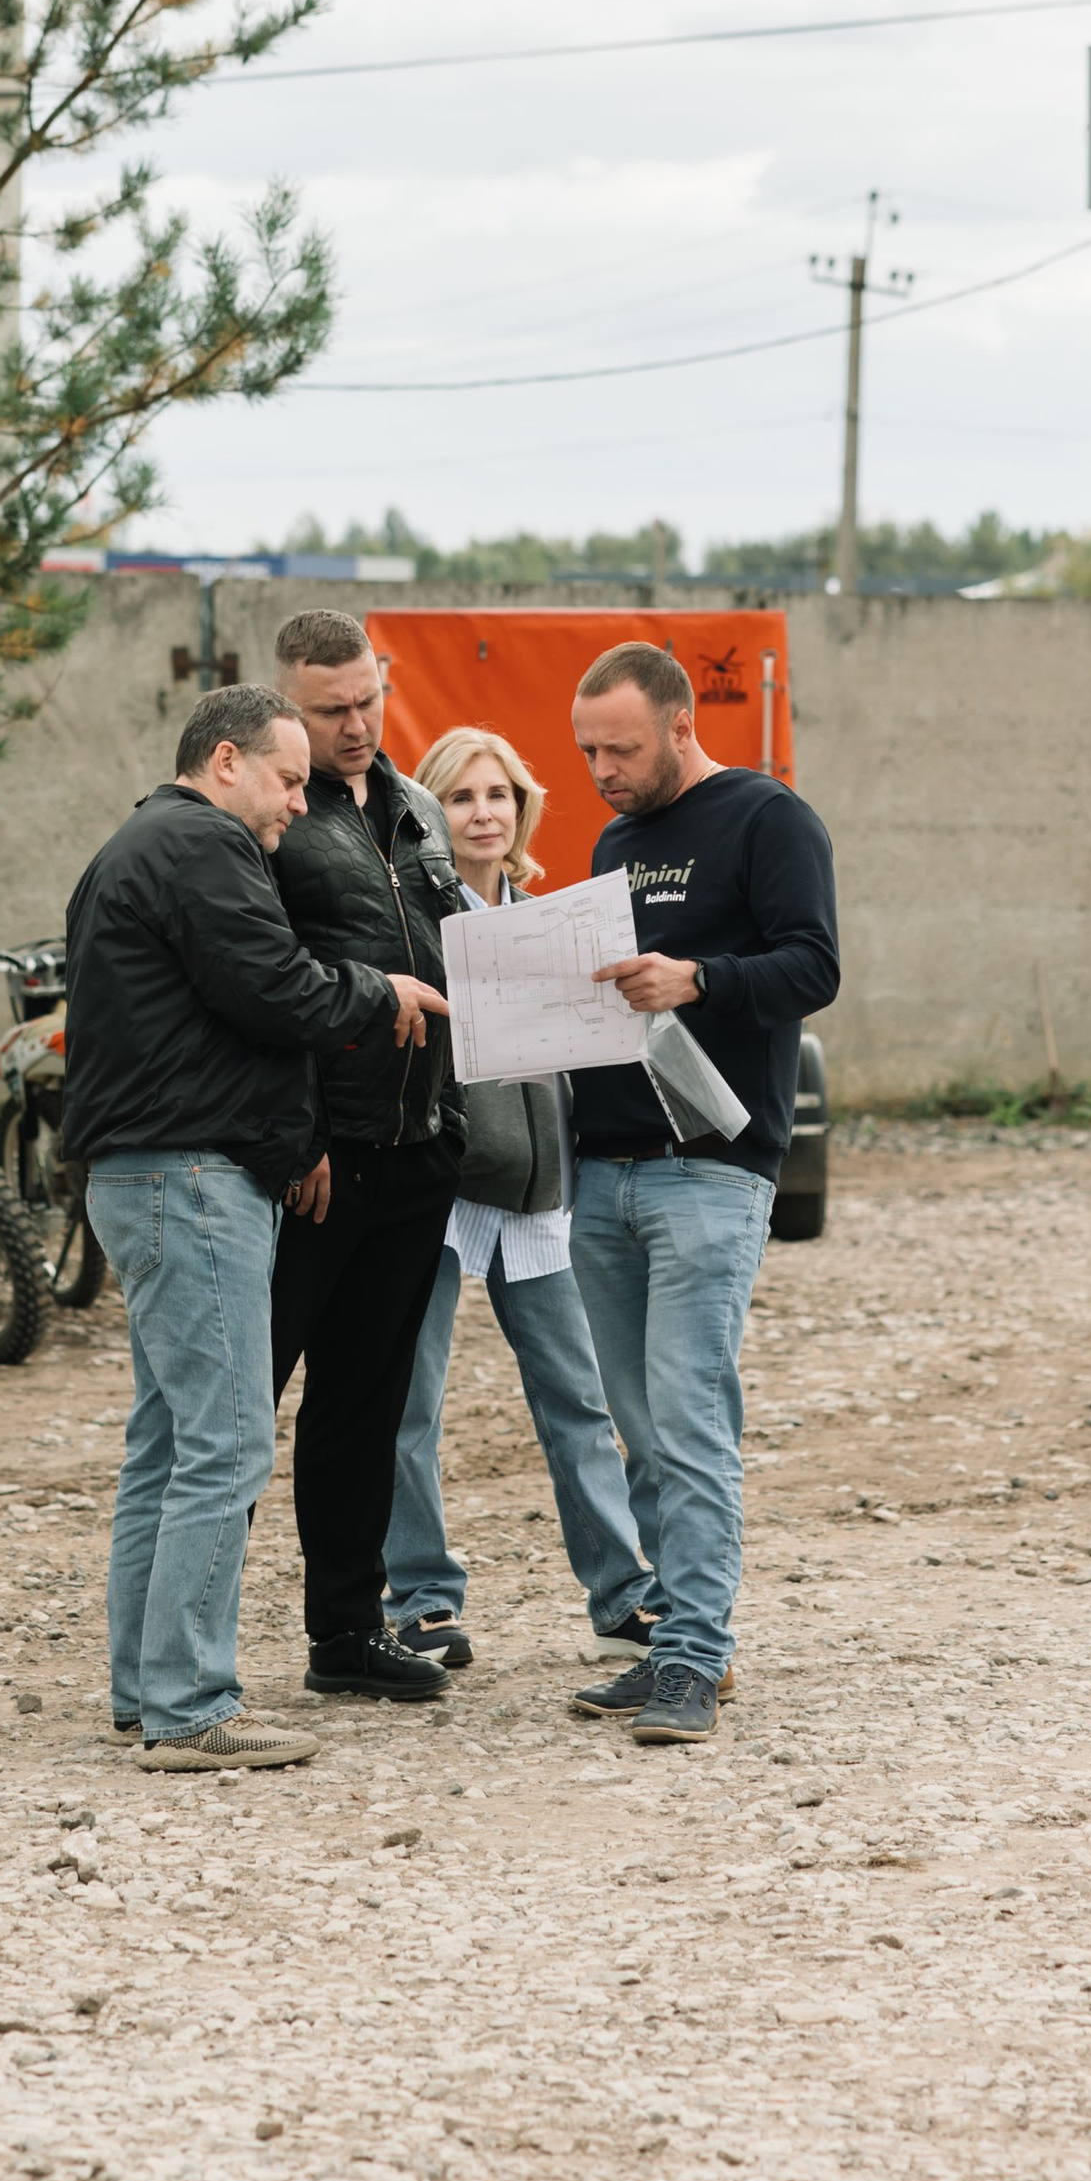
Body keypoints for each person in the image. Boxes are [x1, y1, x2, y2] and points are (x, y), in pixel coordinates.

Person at [64, 681, 448, 1771]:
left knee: (168, 1444)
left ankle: (145, 1691)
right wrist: (384, 993)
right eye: (287, 780)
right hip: (188, 1181)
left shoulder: (140, 844)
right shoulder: (201, 846)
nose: (298, 804)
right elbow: (274, 991)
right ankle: (189, 1705)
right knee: (225, 1443)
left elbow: (218, 1012)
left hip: (143, 1177)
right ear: (224, 760)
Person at [565, 639, 840, 1750]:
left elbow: (814, 969)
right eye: (586, 751)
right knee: (638, 1428)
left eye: (620, 749)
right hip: (604, 1167)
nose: (600, 771)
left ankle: (691, 1660)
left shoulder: (768, 820)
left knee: (687, 1416)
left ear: (680, 727)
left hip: (710, 1173)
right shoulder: (613, 840)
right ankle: (679, 1634)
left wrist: (700, 978)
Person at [382, 723, 664, 1667]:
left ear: (522, 806)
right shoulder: (413, 923)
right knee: (410, 1405)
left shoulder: (555, 916)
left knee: (578, 1401)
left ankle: (623, 1594)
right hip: (445, 1191)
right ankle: (419, 1597)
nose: (483, 812)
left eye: (497, 794)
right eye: (462, 797)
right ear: (432, 810)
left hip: (544, 1198)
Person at [265, 607, 470, 1706]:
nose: (354, 726)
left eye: (367, 702)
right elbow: (255, 988)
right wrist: (297, 1136)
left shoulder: (417, 810)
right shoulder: (270, 819)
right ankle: (183, 1654)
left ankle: (345, 1632)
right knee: (243, 1404)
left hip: (414, 1152)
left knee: (364, 1408)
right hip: (317, 1164)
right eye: (329, 710)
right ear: (284, 707)